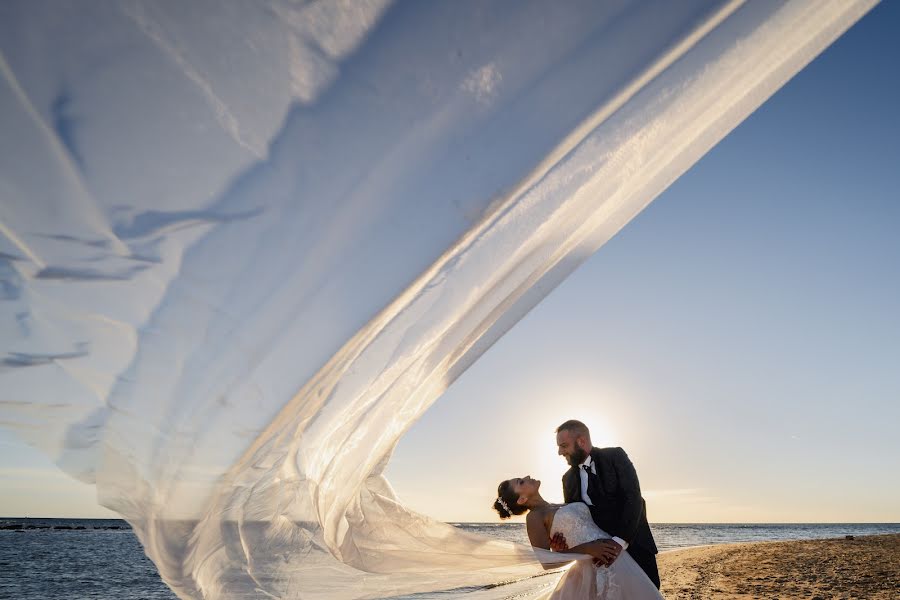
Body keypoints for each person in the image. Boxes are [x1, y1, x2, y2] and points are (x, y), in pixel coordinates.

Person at [493, 476, 663, 599]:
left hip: (618, 558)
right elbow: (547, 562)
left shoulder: (557, 504)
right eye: (521, 482)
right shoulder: (535, 517)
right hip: (591, 569)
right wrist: (588, 549)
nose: (527, 477)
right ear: (522, 499)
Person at [554, 420, 661, 588]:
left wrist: (619, 542)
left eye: (564, 445)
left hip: (635, 544)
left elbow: (633, 498)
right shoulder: (567, 479)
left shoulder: (615, 456)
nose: (560, 452)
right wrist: (562, 539)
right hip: (600, 558)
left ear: (581, 441)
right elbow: (575, 517)